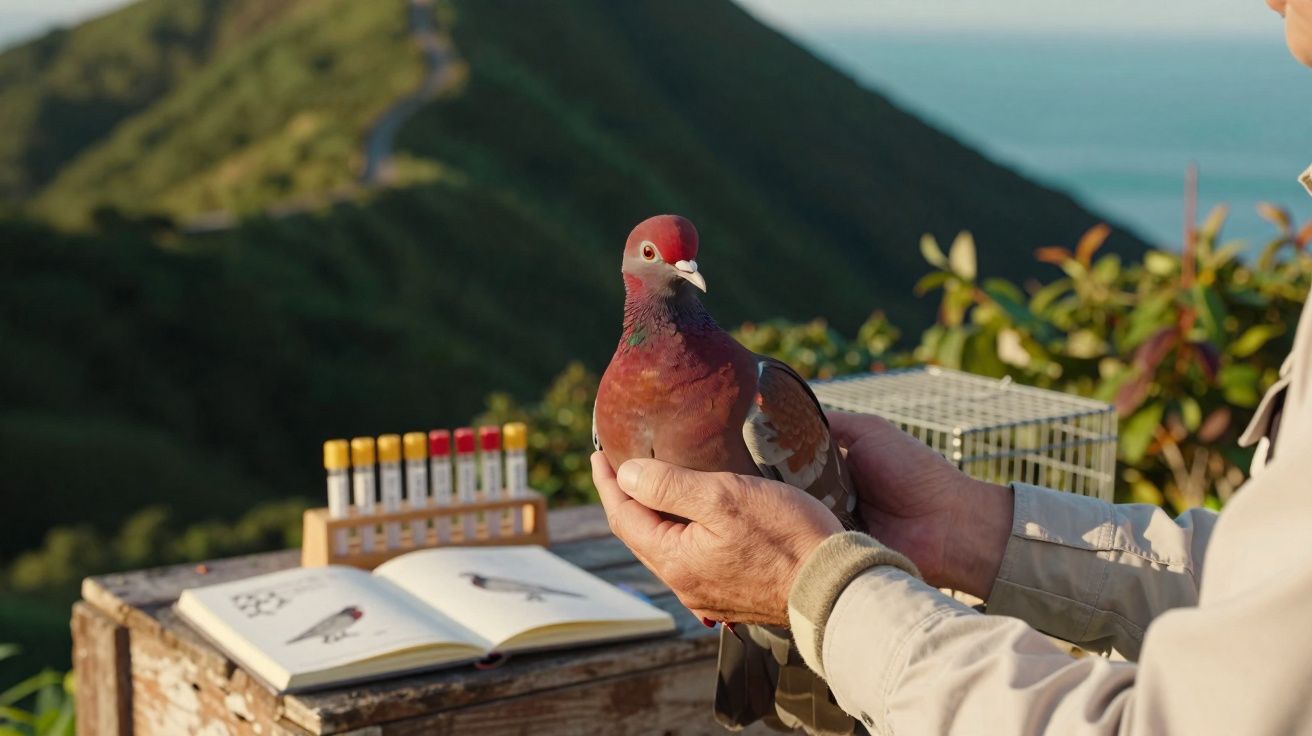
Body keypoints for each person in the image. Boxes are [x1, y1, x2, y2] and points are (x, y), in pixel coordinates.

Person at [593, 4, 1312, 733]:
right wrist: (968, 526)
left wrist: (820, 593)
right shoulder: (613, 403)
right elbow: (1273, 581)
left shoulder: (759, 394)